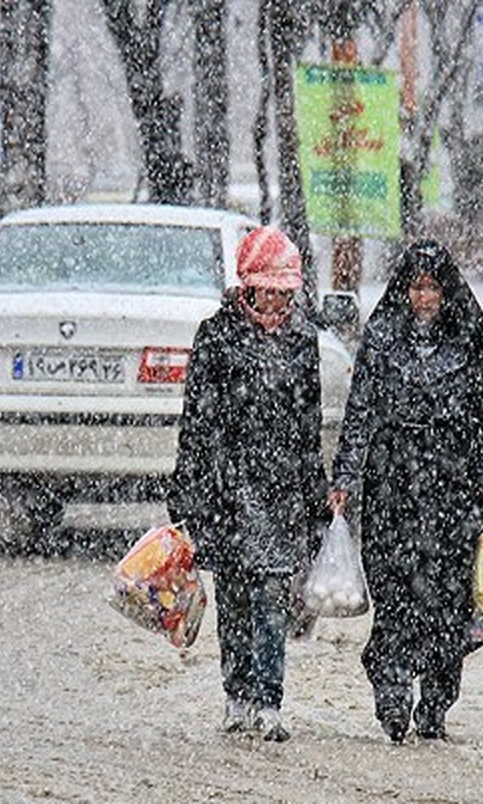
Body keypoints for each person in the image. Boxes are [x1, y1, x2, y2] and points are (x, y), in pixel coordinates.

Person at [328, 240, 483, 743]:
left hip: (452, 489)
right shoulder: (382, 336)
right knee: (394, 591)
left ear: (446, 291)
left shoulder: (469, 340)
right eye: (416, 286)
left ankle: (436, 701)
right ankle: (391, 689)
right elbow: (360, 410)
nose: (423, 297)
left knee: (448, 599)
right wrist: (344, 478)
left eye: (432, 287)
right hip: (393, 484)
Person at [167, 225, 328, 743]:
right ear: (249, 285)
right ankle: (237, 697)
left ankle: (270, 702)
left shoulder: (304, 339)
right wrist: (187, 490)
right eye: (271, 288)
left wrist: (315, 494)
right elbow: (195, 421)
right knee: (235, 597)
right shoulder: (215, 336)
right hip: (226, 487)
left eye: (288, 290)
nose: (280, 300)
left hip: (280, 488)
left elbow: (309, 422)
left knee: (273, 595)